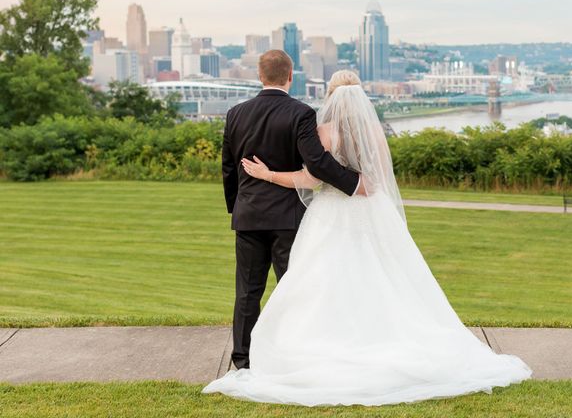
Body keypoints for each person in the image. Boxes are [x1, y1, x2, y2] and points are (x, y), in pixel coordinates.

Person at [204, 70, 532, 406]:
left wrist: (267, 174)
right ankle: (379, 339)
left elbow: (312, 178)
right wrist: (359, 186)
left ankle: (305, 347)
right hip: (373, 210)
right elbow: (374, 179)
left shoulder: (323, 132)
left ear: (331, 96)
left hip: (332, 213)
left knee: (320, 284)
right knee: (385, 278)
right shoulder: (374, 131)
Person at [221, 51, 365, 370]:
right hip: (288, 217)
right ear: (290, 76)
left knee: (247, 291)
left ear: (260, 76)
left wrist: (237, 208)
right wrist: (354, 184)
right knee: (294, 289)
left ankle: (242, 359)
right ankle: (293, 352)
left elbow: (229, 170)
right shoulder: (300, 113)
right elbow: (316, 163)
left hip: (247, 216)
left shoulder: (235, 114)